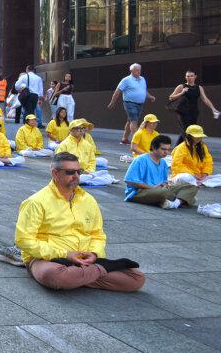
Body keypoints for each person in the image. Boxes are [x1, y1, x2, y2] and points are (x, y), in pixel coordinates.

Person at [15, 152, 143, 291]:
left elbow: (97, 234)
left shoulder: (88, 200)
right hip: (49, 260)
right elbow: (24, 240)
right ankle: (102, 268)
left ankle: (78, 276)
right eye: (70, 172)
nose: (76, 176)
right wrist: (65, 255)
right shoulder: (36, 202)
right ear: (55, 173)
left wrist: (94, 254)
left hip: (84, 258)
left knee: (137, 278)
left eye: (79, 171)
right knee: (53, 275)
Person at [125, 135, 197, 209]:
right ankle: (181, 199)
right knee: (165, 193)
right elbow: (129, 181)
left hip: (159, 190)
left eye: (168, 149)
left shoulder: (163, 162)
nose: (166, 152)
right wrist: (152, 187)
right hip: (140, 192)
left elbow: (163, 182)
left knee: (191, 186)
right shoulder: (140, 159)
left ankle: (175, 203)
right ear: (153, 147)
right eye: (163, 149)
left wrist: (165, 184)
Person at [56, 119, 115, 185]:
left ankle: (91, 177)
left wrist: (89, 171)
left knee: (104, 173)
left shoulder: (87, 145)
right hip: (70, 173)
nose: (81, 131)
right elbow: (59, 162)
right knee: (78, 179)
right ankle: (93, 178)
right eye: (79, 128)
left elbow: (92, 161)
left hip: (86, 173)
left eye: (83, 129)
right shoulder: (64, 144)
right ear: (72, 130)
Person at [108, 63, 154, 145]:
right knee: (134, 120)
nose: (139, 72)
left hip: (140, 104)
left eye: (140, 70)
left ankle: (124, 139)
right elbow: (117, 91)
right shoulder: (126, 80)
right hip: (129, 103)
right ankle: (137, 141)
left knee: (130, 121)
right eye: (137, 70)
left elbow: (144, 90)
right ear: (131, 70)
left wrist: (150, 96)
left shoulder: (142, 79)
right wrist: (112, 102)